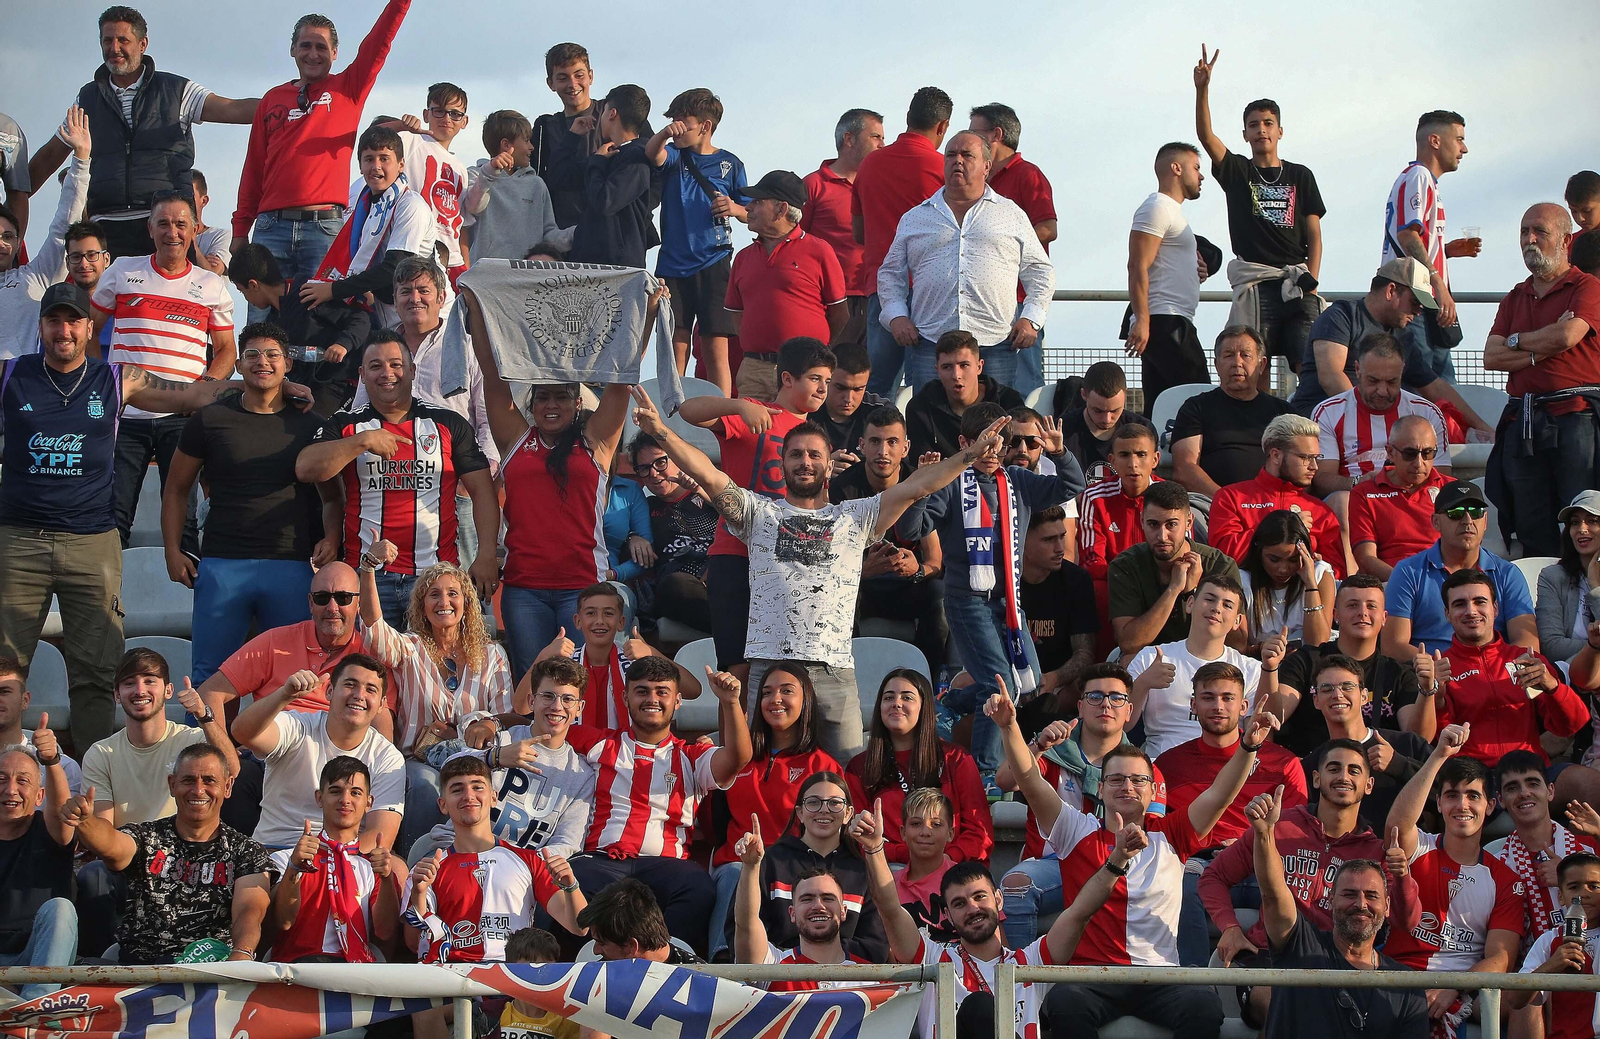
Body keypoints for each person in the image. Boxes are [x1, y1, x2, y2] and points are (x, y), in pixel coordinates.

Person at [2, 281, 297, 751]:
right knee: (4, 666)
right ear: (41, 326)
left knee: (95, 668)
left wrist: (264, 382)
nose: (64, 330)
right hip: (20, 540)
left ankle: (91, 772)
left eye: (73, 320)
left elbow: (189, 396)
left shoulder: (117, 379)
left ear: (88, 327)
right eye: (54, 320)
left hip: (91, 542)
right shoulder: (10, 374)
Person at [636, 393, 1011, 763]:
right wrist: (660, 432)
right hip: (768, 670)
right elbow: (707, 472)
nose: (805, 462)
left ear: (829, 465)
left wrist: (970, 455)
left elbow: (919, 486)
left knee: (848, 776)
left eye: (814, 454)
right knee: (752, 770)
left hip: (833, 671)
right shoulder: (757, 514)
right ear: (781, 465)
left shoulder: (857, 515)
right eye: (796, 454)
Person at [996, 676, 1278, 1039]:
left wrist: (1248, 746)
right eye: (1116, 780)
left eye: (1137, 781)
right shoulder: (1074, 829)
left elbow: (1220, 793)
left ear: (1153, 790)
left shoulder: (1172, 833)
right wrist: (1009, 727)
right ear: (1100, 788)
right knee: (1065, 1004)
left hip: (1158, 977)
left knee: (1203, 1007)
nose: (1127, 786)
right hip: (1090, 977)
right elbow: (1029, 779)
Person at [894, 402, 1087, 787]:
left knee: (1028, 685)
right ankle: (986, 775)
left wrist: (1060, 454)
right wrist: (920, 483)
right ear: (965, 442)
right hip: (968, 601)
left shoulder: (1017, 479)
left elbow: (1072, 487)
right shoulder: (949, 483)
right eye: (984, 444)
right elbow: (910, 531)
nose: (993, 453)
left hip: (1011, 602)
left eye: (1001, 444)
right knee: (1001, 686)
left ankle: (948, 706)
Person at [854, 778, 1135, 1039]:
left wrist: (1117, 861)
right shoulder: (932, 960)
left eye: (980, 897)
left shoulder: (1030, 962)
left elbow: (1080, 912)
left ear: (999, 901)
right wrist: (874, 849)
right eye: (959, 904)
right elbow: (889, 907)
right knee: (978, 1007)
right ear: (948, 916)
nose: (973, 908)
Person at [462, 282, 647, 680]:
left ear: (577, 402)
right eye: (542, 397)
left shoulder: (596, 442)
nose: (551, 405)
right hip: (524, 588)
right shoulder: (516, 439)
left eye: (561, 397)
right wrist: (478, 307)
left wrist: (644, 314)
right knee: (534, 684)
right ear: (531, 403)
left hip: (584, 588)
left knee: (581, 683)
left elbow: (621, 378)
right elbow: (492, 377)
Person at [1199, 738, 1420, 1028]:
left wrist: (1402, 876)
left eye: (1354, 770)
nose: (1343, 777)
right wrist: (1229, 926)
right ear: (1316, 778)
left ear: (1368, 784)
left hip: (1339, 964)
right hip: (1269, 959)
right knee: (1282, 999)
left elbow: (1407, 921)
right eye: (1334, 768)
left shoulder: (1377, 852)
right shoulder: (1278, 826)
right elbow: (1213, 876)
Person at [161, 323, 331, 684]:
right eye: (252, 355)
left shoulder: (312, 425)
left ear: (287, 365)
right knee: (211, 673)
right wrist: (172, 551)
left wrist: (331, 537)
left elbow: (332, 496)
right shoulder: (210, 420)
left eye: (272, 355)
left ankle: (286, 743)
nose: (262, 363)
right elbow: (176, 488)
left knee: (293, 675)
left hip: (291, 564)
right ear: (238, 364)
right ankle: (206, 743)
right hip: (223, 564)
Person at [296, 335, 498, 632]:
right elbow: (306, 467)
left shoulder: (448, 422)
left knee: (436, 670)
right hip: (368, 576)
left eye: (396, 364)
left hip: (435, 577)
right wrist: (362, 442)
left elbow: (482, 492)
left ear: (413, 370)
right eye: (375, 366)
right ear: (362, 375)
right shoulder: (345, 425)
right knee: (372, 671)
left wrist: (486, 555)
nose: (387, 373)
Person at [556, 657, 749, 955]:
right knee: (567, 882)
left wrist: (731, 703)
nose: (652, 699)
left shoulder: (692, 756)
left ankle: (673, 962)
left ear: (678, 700)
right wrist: (489, 722)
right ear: (625, 697)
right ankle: (580, 972)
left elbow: (737, 758)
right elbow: (544, 727)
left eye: (662, 691)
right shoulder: (598, 742)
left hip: (668, 865)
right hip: (602, 860)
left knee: (698, 888)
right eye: (642, 691)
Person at [33, 6, 259, 259]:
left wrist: (286, 103)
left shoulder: (176, 90)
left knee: (173, 298)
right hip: (107, 226)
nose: (114, 48)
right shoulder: (87, 97)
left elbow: (232, 109)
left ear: (143, 44)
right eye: (107, 40)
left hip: (165, 223)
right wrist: (16, 193)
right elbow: (51, 155)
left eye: (123, 40)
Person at [675, 337, 833, 677]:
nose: (823, 389)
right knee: (737, 672)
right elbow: (686, 410)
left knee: (787, 673)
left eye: (828, 382)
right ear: (788, 379)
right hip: (736, 554)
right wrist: (737, 406)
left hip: (789, 561)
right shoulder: (753, 412)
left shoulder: (816, 437)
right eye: (816, 379)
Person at [95, 189, 236, 557]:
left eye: (180, 224)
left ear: (193, 230)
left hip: (180, 421)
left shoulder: (212, 285)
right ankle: (107, 605)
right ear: (150, 229)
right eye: (163, 223)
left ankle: (188, 604)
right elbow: (89, 331)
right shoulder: (123, 270)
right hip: (125, 417)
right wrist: (102, 383)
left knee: (184, 519)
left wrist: (199, 393)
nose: (171, 232)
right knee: (113, 515)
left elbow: (226, 351)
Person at [994, 663, 1171, 948]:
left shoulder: (1144, 772)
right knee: (1017, 884)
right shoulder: (1052, 751)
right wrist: (1038, 745)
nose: (1105, 704)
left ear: (1129, 710)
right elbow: (1005, 781)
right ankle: (1017, 982)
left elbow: (1150, 835)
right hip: (1054, 865)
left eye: (1117, 698)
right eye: (1095, 696)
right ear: (1080, 705)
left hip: (1120, 863)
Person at [231, 3, 410, 285]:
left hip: (323, 226)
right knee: (263, 322)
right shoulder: (271, 99)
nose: (313, 54)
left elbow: (379, 43)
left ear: (335, 53)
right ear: (293, 50)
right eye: (305, 46)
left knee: (320, 321)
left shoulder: (349, 88)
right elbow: (253, 170)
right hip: (270, 227)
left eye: (321, 47)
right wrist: (240, 230)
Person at [356, 544, 513, 852]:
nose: (444, 602)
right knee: (425, 785)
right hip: (419, 759)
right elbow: (374, 633)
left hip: (477, 760)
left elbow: (506, 716)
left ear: (467, 602)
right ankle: (419, 865)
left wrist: (467, 729)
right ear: (422, 605)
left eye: (453, 593)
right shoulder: (410, 648)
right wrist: (368, 569)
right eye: (434, 595)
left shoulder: (492, 654)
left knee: (486, 785)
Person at [1244, 783, 1428, 1039]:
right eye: (1349, 894)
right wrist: (1264, 835)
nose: (1361, 904)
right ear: (1330, 900)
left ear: (1387, 907)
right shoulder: (1300, 947)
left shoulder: (1406, 987)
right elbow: (1274, 895)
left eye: (1371, 896)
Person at [1156, 660, 1307, 967]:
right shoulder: (1168, 765)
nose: (1218, 706)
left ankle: (1292, 991)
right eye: (1208, 697)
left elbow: (1296, 832)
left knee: (1302, 888)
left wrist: (1247, 844)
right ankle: (1194, 989)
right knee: (1177, 885)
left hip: (1263, 861)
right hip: (1199, 863)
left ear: (1244, 706)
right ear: (1193, 705)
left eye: (1228, 698)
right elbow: (1159, 832)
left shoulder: (1284, 763)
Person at [877, 129, 1054, 392]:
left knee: (998, 422)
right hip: (931, 343)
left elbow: (1040, 271)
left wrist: (1031, 319)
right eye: (950, 154)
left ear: (986, 166)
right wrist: (896, 316)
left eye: (966, 155)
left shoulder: (1011, 214)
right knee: (929, 423)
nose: (957, 161)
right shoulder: (915, 218)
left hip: (996, 341)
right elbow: (890, 273)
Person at [62, 743, 272, 963]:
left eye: (209, 780)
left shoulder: (247, 851)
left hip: (208, 975)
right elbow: (112, 846)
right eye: (188, 780)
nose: (198, 790)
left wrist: (242, 953)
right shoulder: (146, 836)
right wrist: (85, 822)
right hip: (139, 972)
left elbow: (250, 910)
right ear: (172, 785)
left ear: (227, 787)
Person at [1192, 48, 1326, 387]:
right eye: (1254, 125)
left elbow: (1315, 235)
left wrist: (1312, 282)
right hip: (1256, 284)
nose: (1261, 130)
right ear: (1245, 134)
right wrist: (1202, 89)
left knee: (1309, 365)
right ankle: (1260, 434)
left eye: (1268, 124)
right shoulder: (1238, 171)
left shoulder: (1300, 175)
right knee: (1253, 370)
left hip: (1297, 283)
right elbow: (1206, 138)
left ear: (1280, 130)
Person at [1483, 203, 1600, 557]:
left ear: (1565, 240)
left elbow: (1568, 337)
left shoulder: (1588, 287)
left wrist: (1516, 340)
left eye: (1539, 232)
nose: (1529, 240)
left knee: (1583, 519)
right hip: (1524, 422)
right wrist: (1540, 347)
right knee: (1531, 524)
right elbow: (1491, 357)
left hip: (1576, 417)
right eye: (1524, 232)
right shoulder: (1514, 297)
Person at [1386, 725, 1522, 1028]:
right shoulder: (1418, 846)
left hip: (1466, 989)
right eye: (1451, 795)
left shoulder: (1506, 880)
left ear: (1490, 806)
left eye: (1473, 796)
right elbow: (1396, 826)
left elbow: (1500, 961)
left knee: (1524, 1003)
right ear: (1438, 803)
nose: (1462, 805)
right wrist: (1438, 756)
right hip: (1399, 976)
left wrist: (1454, 986)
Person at [708, 663, 842, 961]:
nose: (775, 699)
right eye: (767, 692)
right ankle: (723, 963)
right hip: (736, 864)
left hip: (792, 869)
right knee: (736, 873)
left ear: (806, 700)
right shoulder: (737, 757)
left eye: (786, 691)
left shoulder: (821, 765)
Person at [402, 755, 586, 963]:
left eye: (477, 787)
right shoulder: (427, 869)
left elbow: (579, 927)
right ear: (443, 805)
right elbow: (414, 943)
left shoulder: (529, 860)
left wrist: (571, 886)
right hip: (453, 981)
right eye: (457, 789)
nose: (468, 796)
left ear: (494, 797)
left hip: (513, 979)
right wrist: (419, 892)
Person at [420, 656, 595, 863]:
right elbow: (450, 769)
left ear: (579, 708)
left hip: (524, 871)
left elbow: (567, 842)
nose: (557, 706)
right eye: (548, 696)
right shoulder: (501, 739)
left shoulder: (582, 775)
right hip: (458, 851)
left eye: (567, 699)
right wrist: (496, 757)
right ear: (531, 701)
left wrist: (518, 866)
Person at [1407, 569, 1586, 764]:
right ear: (1447, 615)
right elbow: (1424, 741)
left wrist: (1553, 687)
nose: (1471, 611)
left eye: (1479, 602)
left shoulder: (1525, 660)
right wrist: (1434, 696)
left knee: (1586, 783)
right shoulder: (1439, 669)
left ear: (1496, 608)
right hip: (1470, 778)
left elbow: (1572, 725)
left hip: (1526, 771)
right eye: (1460, 604)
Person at [231, 655, 406, 851]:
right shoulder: (298, 726)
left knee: (397, 869)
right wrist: (284, 695)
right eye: (350, 684)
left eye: (370, 690)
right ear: (329, 691)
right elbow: (242, 733)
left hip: (344, 858)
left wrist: (326, 866)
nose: (359, 695)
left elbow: (380, 838)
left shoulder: (388, 757)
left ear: (382, 704)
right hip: (277, 848)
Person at [1287, 258, 1485, 428]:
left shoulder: (1402, 335)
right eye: (1415, 302)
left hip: (1370, 428)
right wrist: (1373, 426)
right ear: (1391, 291)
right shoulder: (1341, 316)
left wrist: (1484, 429)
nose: (1418, 312)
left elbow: (1435, 387)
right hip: (1318, 423)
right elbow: (1331, 376)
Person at [643, 89, 748, 395]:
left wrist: (734, 208)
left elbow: (749, 211)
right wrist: (664, 133)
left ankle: (721, 416)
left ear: (705, 125)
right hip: (673, 263)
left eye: (682, 121)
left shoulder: (730, 163)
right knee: (677, 341)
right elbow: (652, 153)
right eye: (672, 120)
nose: (676, 126)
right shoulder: (675, 155)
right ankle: (671, 409)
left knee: (716, 344)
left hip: (714, 261)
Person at [831, 405, 949, 677]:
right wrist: (863, 570)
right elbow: (831, 564)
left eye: (892, 442)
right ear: (861, 445)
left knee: (939, 596)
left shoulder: (919, 481)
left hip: (907, 586)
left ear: (905, 448)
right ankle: (846, 678)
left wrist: (916, 570)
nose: (883, 452)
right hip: (861, 585)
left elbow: (936, 562)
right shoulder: (844, 488)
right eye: (875, 442)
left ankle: (926, 682)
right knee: (840, 594)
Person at [853, 87, 950, 394]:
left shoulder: (870, 164)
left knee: (876, 386)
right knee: (931, 385)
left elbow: (859, 233)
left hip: (882, 287)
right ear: (943, 127)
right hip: (932, 290)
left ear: (907, 118)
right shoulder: (943, 168)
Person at [846, 670, 994, 865]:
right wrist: (911, 857)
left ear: (924, 707)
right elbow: (858, 840)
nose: (896, 703)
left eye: (907, 697)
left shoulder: (956, 759)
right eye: (888, 697)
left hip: (953, 867)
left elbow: (979, 832)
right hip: (890, 869)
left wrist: (947, 859)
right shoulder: (859, 767)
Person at [739, 770, 887, 960]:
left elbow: (875, 944)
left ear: (848, 813)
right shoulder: (771, 860)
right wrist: (794, 958)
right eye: (813, 802)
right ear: (800, 812)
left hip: (847, 977)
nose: (824, 810)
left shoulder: (861, 869)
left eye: (834, 803)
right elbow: (746, 929)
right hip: (780, 973)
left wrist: (826, 955)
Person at [724, 171, 847, 400]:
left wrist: (815, 354)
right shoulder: (742, 257)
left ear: (782, 209)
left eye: (758, 202)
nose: (748, 207)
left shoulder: (819, 251)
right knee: (753, 436)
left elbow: (839, 313)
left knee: (799, 435)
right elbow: (737, 314)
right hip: (754, 370)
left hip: (804, 370)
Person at [1381, 481, 1538, 659]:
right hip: (1431, 677)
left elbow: (1527, 642)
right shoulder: (1408, 572)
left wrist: (1490, 673)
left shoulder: (1508, 573)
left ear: (1485, 521)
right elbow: (1393, 645)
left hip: (1495, 675)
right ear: (1436, 522)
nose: (1468, 521)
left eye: (1476, 512)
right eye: (1455, 513)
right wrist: (1450, 672)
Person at [1126, 573, 1277, 759]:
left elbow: (1260, 738)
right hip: (1161, 767)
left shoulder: (1252, 670)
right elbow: (1122, 724)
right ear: (1190, 604)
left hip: (1225, 769)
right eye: (1209, 599)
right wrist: (1143, 684)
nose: (1216, 609)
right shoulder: (1151, 657)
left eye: (1227, 605)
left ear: (1237, 621)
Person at [298, 126, 437, 328]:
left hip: (421, 311)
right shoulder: (364, 204)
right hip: (387, 309)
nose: (376, 166)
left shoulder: (411, 205)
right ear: (360, 166)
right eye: (369, 159)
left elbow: (396, 268)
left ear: (401, 165)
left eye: (384, 158)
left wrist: (333, 290)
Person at [82, 647, 235, 826]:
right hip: (127, 850)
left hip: (186, 849)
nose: (140, 691)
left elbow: (232, 769)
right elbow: (104, 829)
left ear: (168, 690)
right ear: (116, 695)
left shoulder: (194, 741)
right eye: (129, 683)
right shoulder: (101, 754)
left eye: (150, 681)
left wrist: (204, 716)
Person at [267, 756, 399, 962]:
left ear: (369, 802)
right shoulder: (285, 859)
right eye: (336, 791)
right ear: (319, 798)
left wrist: (388, 879)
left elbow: (385, 932)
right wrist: (294, 869)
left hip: (355, 974)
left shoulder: (373, 866)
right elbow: (283, 922)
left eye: (355, 793)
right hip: (298, 973)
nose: (345, 800)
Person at [1272, 577, 1421, 754]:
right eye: (1352, 605)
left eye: (1371, 606)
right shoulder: (1306, 660)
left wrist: (1428, 691)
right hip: (1310, 771)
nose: (1362, 613)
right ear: (1336, 615)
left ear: (1384, 617)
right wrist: (1269, 667)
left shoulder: (1399, 674)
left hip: (1376, 773)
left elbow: (1417, 737)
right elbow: (1274, 717)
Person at [970, 102, 1058, 398]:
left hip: (1018, 303)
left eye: (974, 132)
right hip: (983, 304)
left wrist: (1001, 244)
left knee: (1021, 387)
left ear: (996, 135)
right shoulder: (978, 182)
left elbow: (1048, 227)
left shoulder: (1027, 175)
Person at [1383, 111, 1478, 381]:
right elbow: (1407, 236)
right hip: (1416, 300)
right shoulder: (1419, 176)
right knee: (1428, 389)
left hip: (1424, 302)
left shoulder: (1424, 181)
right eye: (1459, 139)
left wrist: (1445, 251)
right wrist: (1437, 283)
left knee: (1442, 390)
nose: (1464, 149)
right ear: (1435, 140)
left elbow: (1412, 238)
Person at [526, 583, 699, 732]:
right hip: (572, 755)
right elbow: (522, 706)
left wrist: (652, 653)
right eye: (591, 613)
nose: (599, 620)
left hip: (625, 756)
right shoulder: (564, 662)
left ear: (621, 622)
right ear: (578, 621)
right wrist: (544, 656)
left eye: (608, 613)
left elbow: (694, 690)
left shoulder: (636, 661)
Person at [226, 243, 369, 418]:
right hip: (306, 388)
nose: (246, 299)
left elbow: (360, 319)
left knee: (310, 430)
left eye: (242, 292)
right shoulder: (273, 320)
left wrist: (343, 344)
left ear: (254, 285)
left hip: (339, 383)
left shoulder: (308, 293)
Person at [1107, 480, 1242, 657]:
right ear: (1142, 521)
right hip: (1148, 658)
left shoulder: (1220, 565)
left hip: (1206, 659)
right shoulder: (1125, 566)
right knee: (1128, 661)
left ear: (1188, 522)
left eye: (1171, 524)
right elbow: (1130, 645)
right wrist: (1174, 589)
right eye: (1153, 524)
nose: (1162, 536)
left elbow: (1238, 644)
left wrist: (1194, 593)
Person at [1125, 142, 1210, 416]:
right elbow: (1137, 265)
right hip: (1164, 319)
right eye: (1196, 167)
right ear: (1176, 168)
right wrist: (1144, 320)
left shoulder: (1173, 211)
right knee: (1197, 397)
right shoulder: (1157, 207)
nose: (1201, 176)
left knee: (1162, 404)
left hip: (1173, 318)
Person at [1207, 413, 1348, 576]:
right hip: (1244, 595)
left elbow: (1337, 573)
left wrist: (1318, 566)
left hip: (1302, 597)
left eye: (1316, 458)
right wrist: (1280, 530)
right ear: (1275, 455)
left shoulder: (1321, 511)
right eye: (1305, 458)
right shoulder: (1230, 497)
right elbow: (1223, 561)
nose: (1314, 466)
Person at [1297, 656, 1431, 828]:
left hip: (1403, 851)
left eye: (1347, 687)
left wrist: (1399, 765)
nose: (1337, 695)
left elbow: (1449, 793)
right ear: (1316, 701)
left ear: (1364, 696)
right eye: (1327, 689)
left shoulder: (1407, 744)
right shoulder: (1311, 765)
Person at [734, 830, 878, 987]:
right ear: (792, 913)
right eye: (807, 899)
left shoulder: (870, 979)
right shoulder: (773, 965)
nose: (818, 906)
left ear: (843, 911)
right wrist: (751, 867)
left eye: (828, 898)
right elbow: (746, 923)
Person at [0, 107, 89, 361]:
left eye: (8, 237)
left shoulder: (34, 279)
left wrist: (81, 159)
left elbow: (64, 228)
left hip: (19, 391)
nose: (2, 244)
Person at [1485, 751, 1600, 942]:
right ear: (1501, 799)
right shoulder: (1495, 863)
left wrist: (1569, 877)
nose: (1524, 793)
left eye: (1533, 783)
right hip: (1528, 965)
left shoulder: (1590, 848)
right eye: (1512, 788)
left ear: (1551, 791)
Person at [1170, 326, 1293, 497]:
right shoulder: (1196, 408)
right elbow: (1184, 469)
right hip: (1213, 505)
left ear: (1261, 364)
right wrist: (1228, 503)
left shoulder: (1284, 413)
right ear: (1217, 364)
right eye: (1228, 355)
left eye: (1246, 355)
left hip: (1275, 505)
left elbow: (1299, 466)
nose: (1237, 363)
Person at [0, 742, 77, 999]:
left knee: (60, 909)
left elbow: (61, 813)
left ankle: (33, 1015)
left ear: (39, 796)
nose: (11, 790)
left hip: (38, 955)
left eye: (23, 781)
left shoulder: (49, 831)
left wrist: (52, 761)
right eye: (2, 779)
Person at [801, 109, 884, 346]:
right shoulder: (814, 184)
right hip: (833, 301)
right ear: (849, 139)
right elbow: (797, 241)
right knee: (830, 375)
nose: (882, 145)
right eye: (875, 137)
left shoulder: (878, 184)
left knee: (873, 378)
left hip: (877, 295)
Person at [376, 83, 472, 282]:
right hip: (416, 247)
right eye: (439, 111)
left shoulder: (460, 169)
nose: (447, 119)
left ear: (464, 121)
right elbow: (372, 137)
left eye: (455, 114)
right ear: (426, 115)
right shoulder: (410, 140)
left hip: (451, 259)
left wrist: (466, 268)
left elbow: (459, 223)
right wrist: (401, 126)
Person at [1079, 424, 1162, 645]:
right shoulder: (1095, 497)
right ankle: (1101, 662)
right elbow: (1091, 560)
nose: (1133, 463)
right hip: (1114, 583)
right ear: (1112, 461)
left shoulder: (1170, 497)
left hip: (1160, 581)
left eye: (1141, 454)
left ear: (1155, 459)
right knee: (1095, 589)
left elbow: (1181, 550)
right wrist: (1127, 581)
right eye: (1125, 455)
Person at [630, 432, 715, 636]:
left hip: (720, 578)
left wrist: (702, 488)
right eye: (644, 468)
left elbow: (740, 518)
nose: (653, 473)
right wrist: (633, 535)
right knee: (675, 585)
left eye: (660, 462)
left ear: (677, 459)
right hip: (679, 589)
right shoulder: (645, 507)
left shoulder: (709, 494)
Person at [568, 85, 660, 270]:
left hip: (619, 268)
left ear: (612, 113)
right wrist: (572, 137)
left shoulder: (637, 158)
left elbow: (605, 201)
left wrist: (596, 162)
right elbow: (561, 177)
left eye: (603, 112)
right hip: (589, 262)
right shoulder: (609, 155)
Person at [1510, 851, 1600, 1039]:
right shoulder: (1549, 941)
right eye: (1574, 887)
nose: (1584, 893)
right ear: (1560, 896)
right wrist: (1550, 967)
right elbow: (1516, 1000)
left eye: (1594, 886)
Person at [1348, 415, 1452, 579]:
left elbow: (1467, 551)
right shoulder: (1364, 493)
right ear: (1390, 452)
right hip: (1390, 583)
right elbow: (1366, 558)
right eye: (1410, 454)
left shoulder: (1451, 489)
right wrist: (1406, 582)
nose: (1419, 463)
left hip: (1444, 582)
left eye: (1427, 453)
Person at [905, 330, 1025, 461]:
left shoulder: (1009, 401)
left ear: (979, 367)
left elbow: (1017, 457)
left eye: (964, 365)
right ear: (937, 370)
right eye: (947, 367)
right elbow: (920, 467)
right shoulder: (920, 407)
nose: (956, 375)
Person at [1020, 506, 1097, 709]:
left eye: (1062, 537)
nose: (1060, 548)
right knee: (964, 682)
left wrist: (1055, 678)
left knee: (1078, 690)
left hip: (1058, 683)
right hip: (1008, 677)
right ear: (1021, 541)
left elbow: (1084, 653)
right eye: (1048, 540)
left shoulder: (1076, 580)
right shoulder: (1002, 580)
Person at [463, 109, 559, 262]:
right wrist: (489, 173)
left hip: (527, 276)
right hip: (485, 276)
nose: (532, 147)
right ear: (506, 144)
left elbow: (549, 234)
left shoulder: (537, 184)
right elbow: (474, 206)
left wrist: (578, 233)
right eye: (526, 140)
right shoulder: (474, 175)